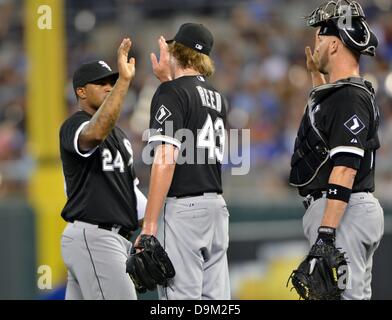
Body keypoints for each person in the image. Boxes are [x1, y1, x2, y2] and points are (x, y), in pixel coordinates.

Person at [289, 0, 384, 299]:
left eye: (318, 37)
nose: (313, 45)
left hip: (344, 211)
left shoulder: (349, 97)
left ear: (333, 45)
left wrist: (326, 235)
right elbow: (326, 134)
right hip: (345, 209)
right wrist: (316, 78)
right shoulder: (344, 93)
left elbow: (344, 168)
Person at [135, 23, 230, 300]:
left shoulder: (171, 92)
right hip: (216, 209)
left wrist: (149, 227)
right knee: (215, 300)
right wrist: (169, 81)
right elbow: (189, 103)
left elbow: (165, 158)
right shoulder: (218, 98)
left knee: (180, 300)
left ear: (177, 53)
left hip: (184, 211)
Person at [60, 38, 147, 300]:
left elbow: (131, 194)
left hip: (112, 240)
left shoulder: (119, 136)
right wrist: (124, 82)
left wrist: (159, 224)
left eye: (112, 82)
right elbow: (95, 133)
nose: (109, 87)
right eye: (102, 83)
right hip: (95, 237)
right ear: (81, 92)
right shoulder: (74, 125)